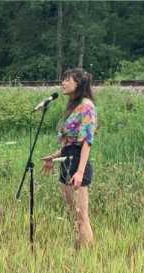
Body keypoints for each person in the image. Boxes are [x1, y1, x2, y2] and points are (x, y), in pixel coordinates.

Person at [40, 68, 98, 250]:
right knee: (73, 215)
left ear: (77, 83)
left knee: (82, 217)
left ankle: (87, 256)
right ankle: (77, 249)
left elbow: (86, 142)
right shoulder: (74, 106)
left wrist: (80, 172)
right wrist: (54, 156)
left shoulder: (87, 106)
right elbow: (69, 143)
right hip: (66, 160)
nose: (63, 83)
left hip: (77, 163)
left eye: (67, 80)